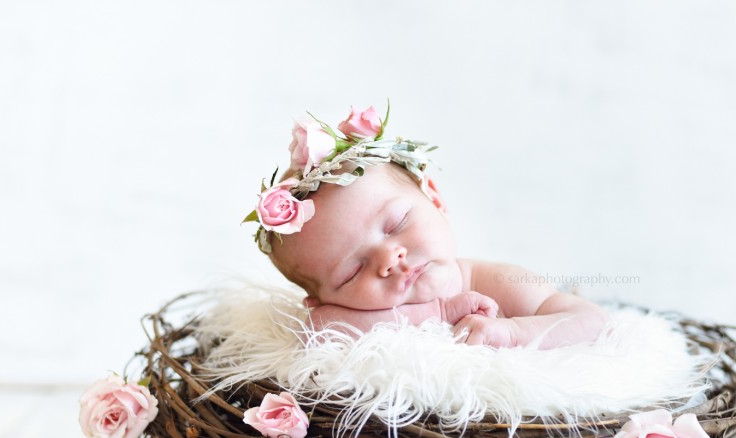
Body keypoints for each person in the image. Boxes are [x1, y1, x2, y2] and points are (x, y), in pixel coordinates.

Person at [245, 105, 611, 349]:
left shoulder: (496, 283)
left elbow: (592, 321)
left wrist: (513, 332)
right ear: (323, 298)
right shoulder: (344, 317)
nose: (389, 257)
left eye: (395, 224)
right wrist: (438, 314)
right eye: (352, 271)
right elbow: (319, 328)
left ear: (434, 199)